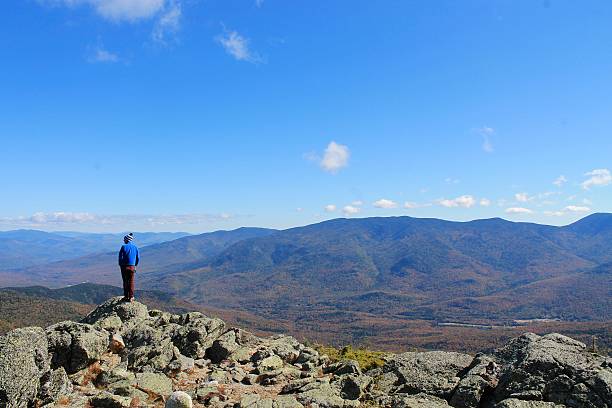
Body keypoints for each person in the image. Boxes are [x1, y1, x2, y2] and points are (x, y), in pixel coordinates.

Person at [118, 233, 139, 302]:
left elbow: (120, 258)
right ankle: (131, 297)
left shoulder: (123, 247)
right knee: (131, 281)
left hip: (124, 267)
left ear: (126, 240)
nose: (123, 240)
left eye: (124, 239)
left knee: (125, 281)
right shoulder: (135, 247)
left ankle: (126, 296)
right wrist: (135, 265)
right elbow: (138, 258)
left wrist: (121, 265)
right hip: (132, 267)